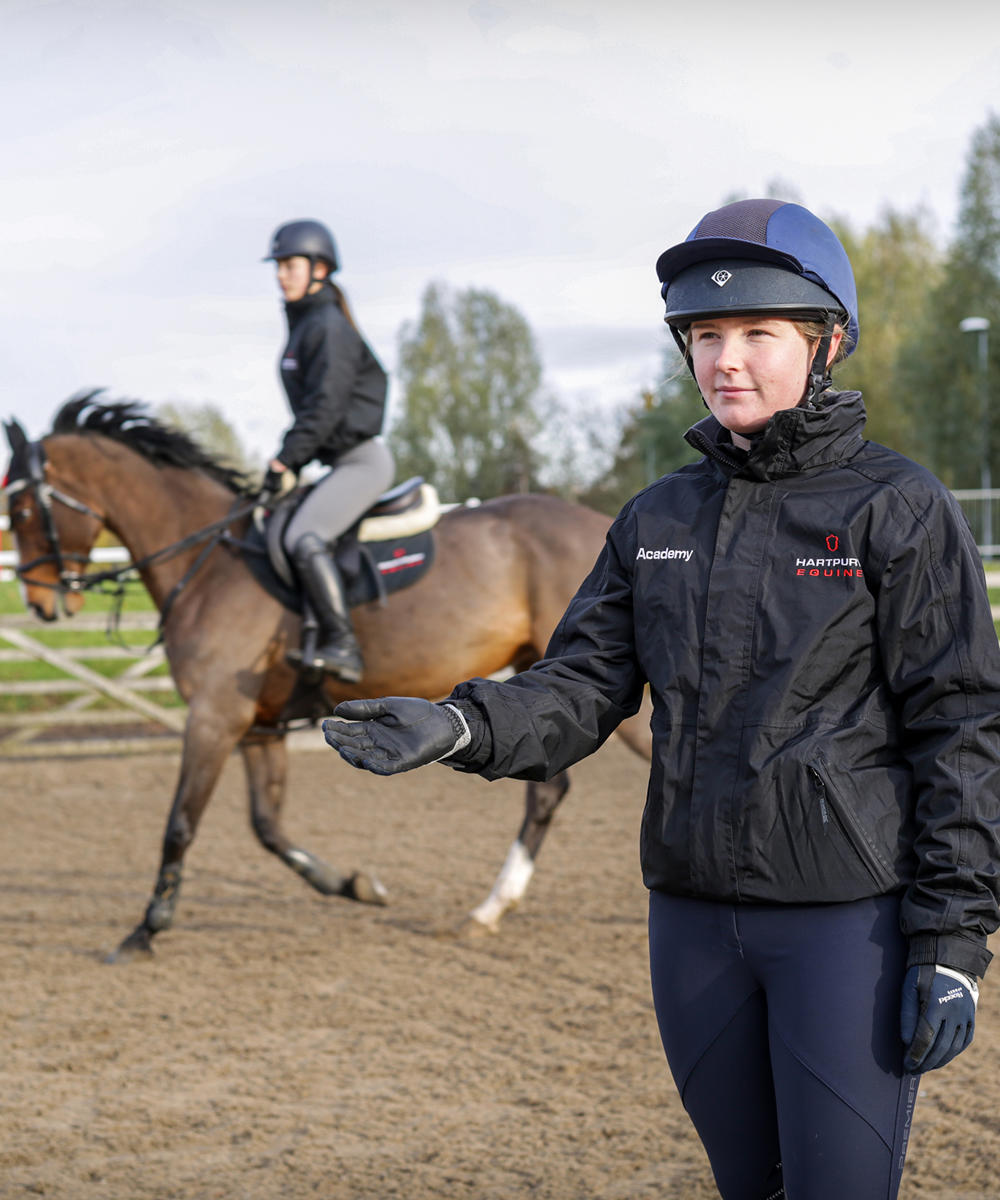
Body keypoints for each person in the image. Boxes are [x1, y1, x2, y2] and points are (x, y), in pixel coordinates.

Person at [320, 198, 1000, 1198]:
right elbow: (581, 681)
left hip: (842, 922)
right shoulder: (658, 517)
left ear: (827, 342)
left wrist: (950, 940)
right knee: (746, 1187)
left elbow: (961, 725)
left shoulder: (895, 506)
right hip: (688, 924)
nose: (726, 357)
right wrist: (462, 721)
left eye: (758, 332)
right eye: (705, 334)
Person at [262, 218, 393, 682]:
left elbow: (326, 407)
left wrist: (286, 459)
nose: (281, 274)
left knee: (304, 538)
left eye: (290, 264)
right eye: (277, 266)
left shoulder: (327, 327)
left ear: (319, 268)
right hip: (337, 462)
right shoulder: (307, 325)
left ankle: (343, 645)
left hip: (361, 461)